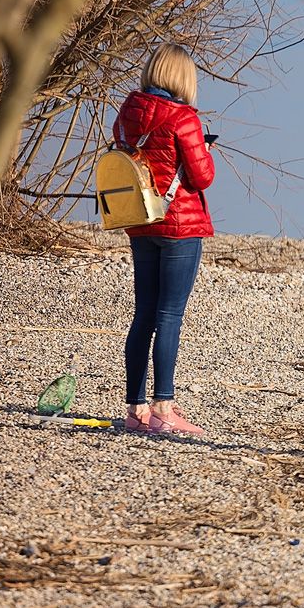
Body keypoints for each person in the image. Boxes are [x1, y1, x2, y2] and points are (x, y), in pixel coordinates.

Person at [113, 43, 216, 435]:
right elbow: (201, 176)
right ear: (182, 77)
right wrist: (204, 149)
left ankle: (135, 409)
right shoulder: (183, 117)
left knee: (144, 314)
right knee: (169, 315)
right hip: (179, 225)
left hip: (140, 220)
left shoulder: (129, 111)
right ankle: (164, 407)